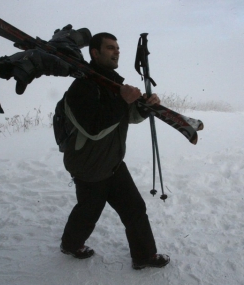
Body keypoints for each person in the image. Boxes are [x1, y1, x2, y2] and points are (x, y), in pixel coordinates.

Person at [59, 32, 170, 270]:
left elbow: (126, 117)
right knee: (88, 213)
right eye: (110, 48)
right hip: (89, 168)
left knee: (135, 210)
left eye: (117, 47)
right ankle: (70, 244)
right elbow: (94, 127)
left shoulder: (114, 84)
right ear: (95, 53)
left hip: (113, 163)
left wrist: (144, 108)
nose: (116, 51)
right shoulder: (82, 87)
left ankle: (144, 256)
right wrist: (123, 100)